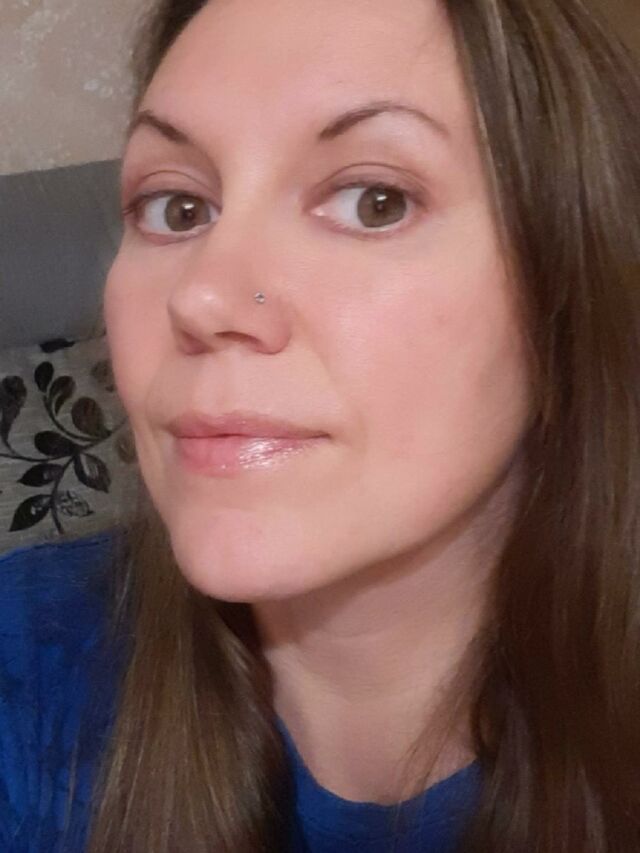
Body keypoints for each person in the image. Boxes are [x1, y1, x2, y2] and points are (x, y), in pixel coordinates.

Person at [1, 0, 639, 850]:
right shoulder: (24, 658)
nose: (203, 295)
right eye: (177, 207)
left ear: (570, 288)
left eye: (375, 201)